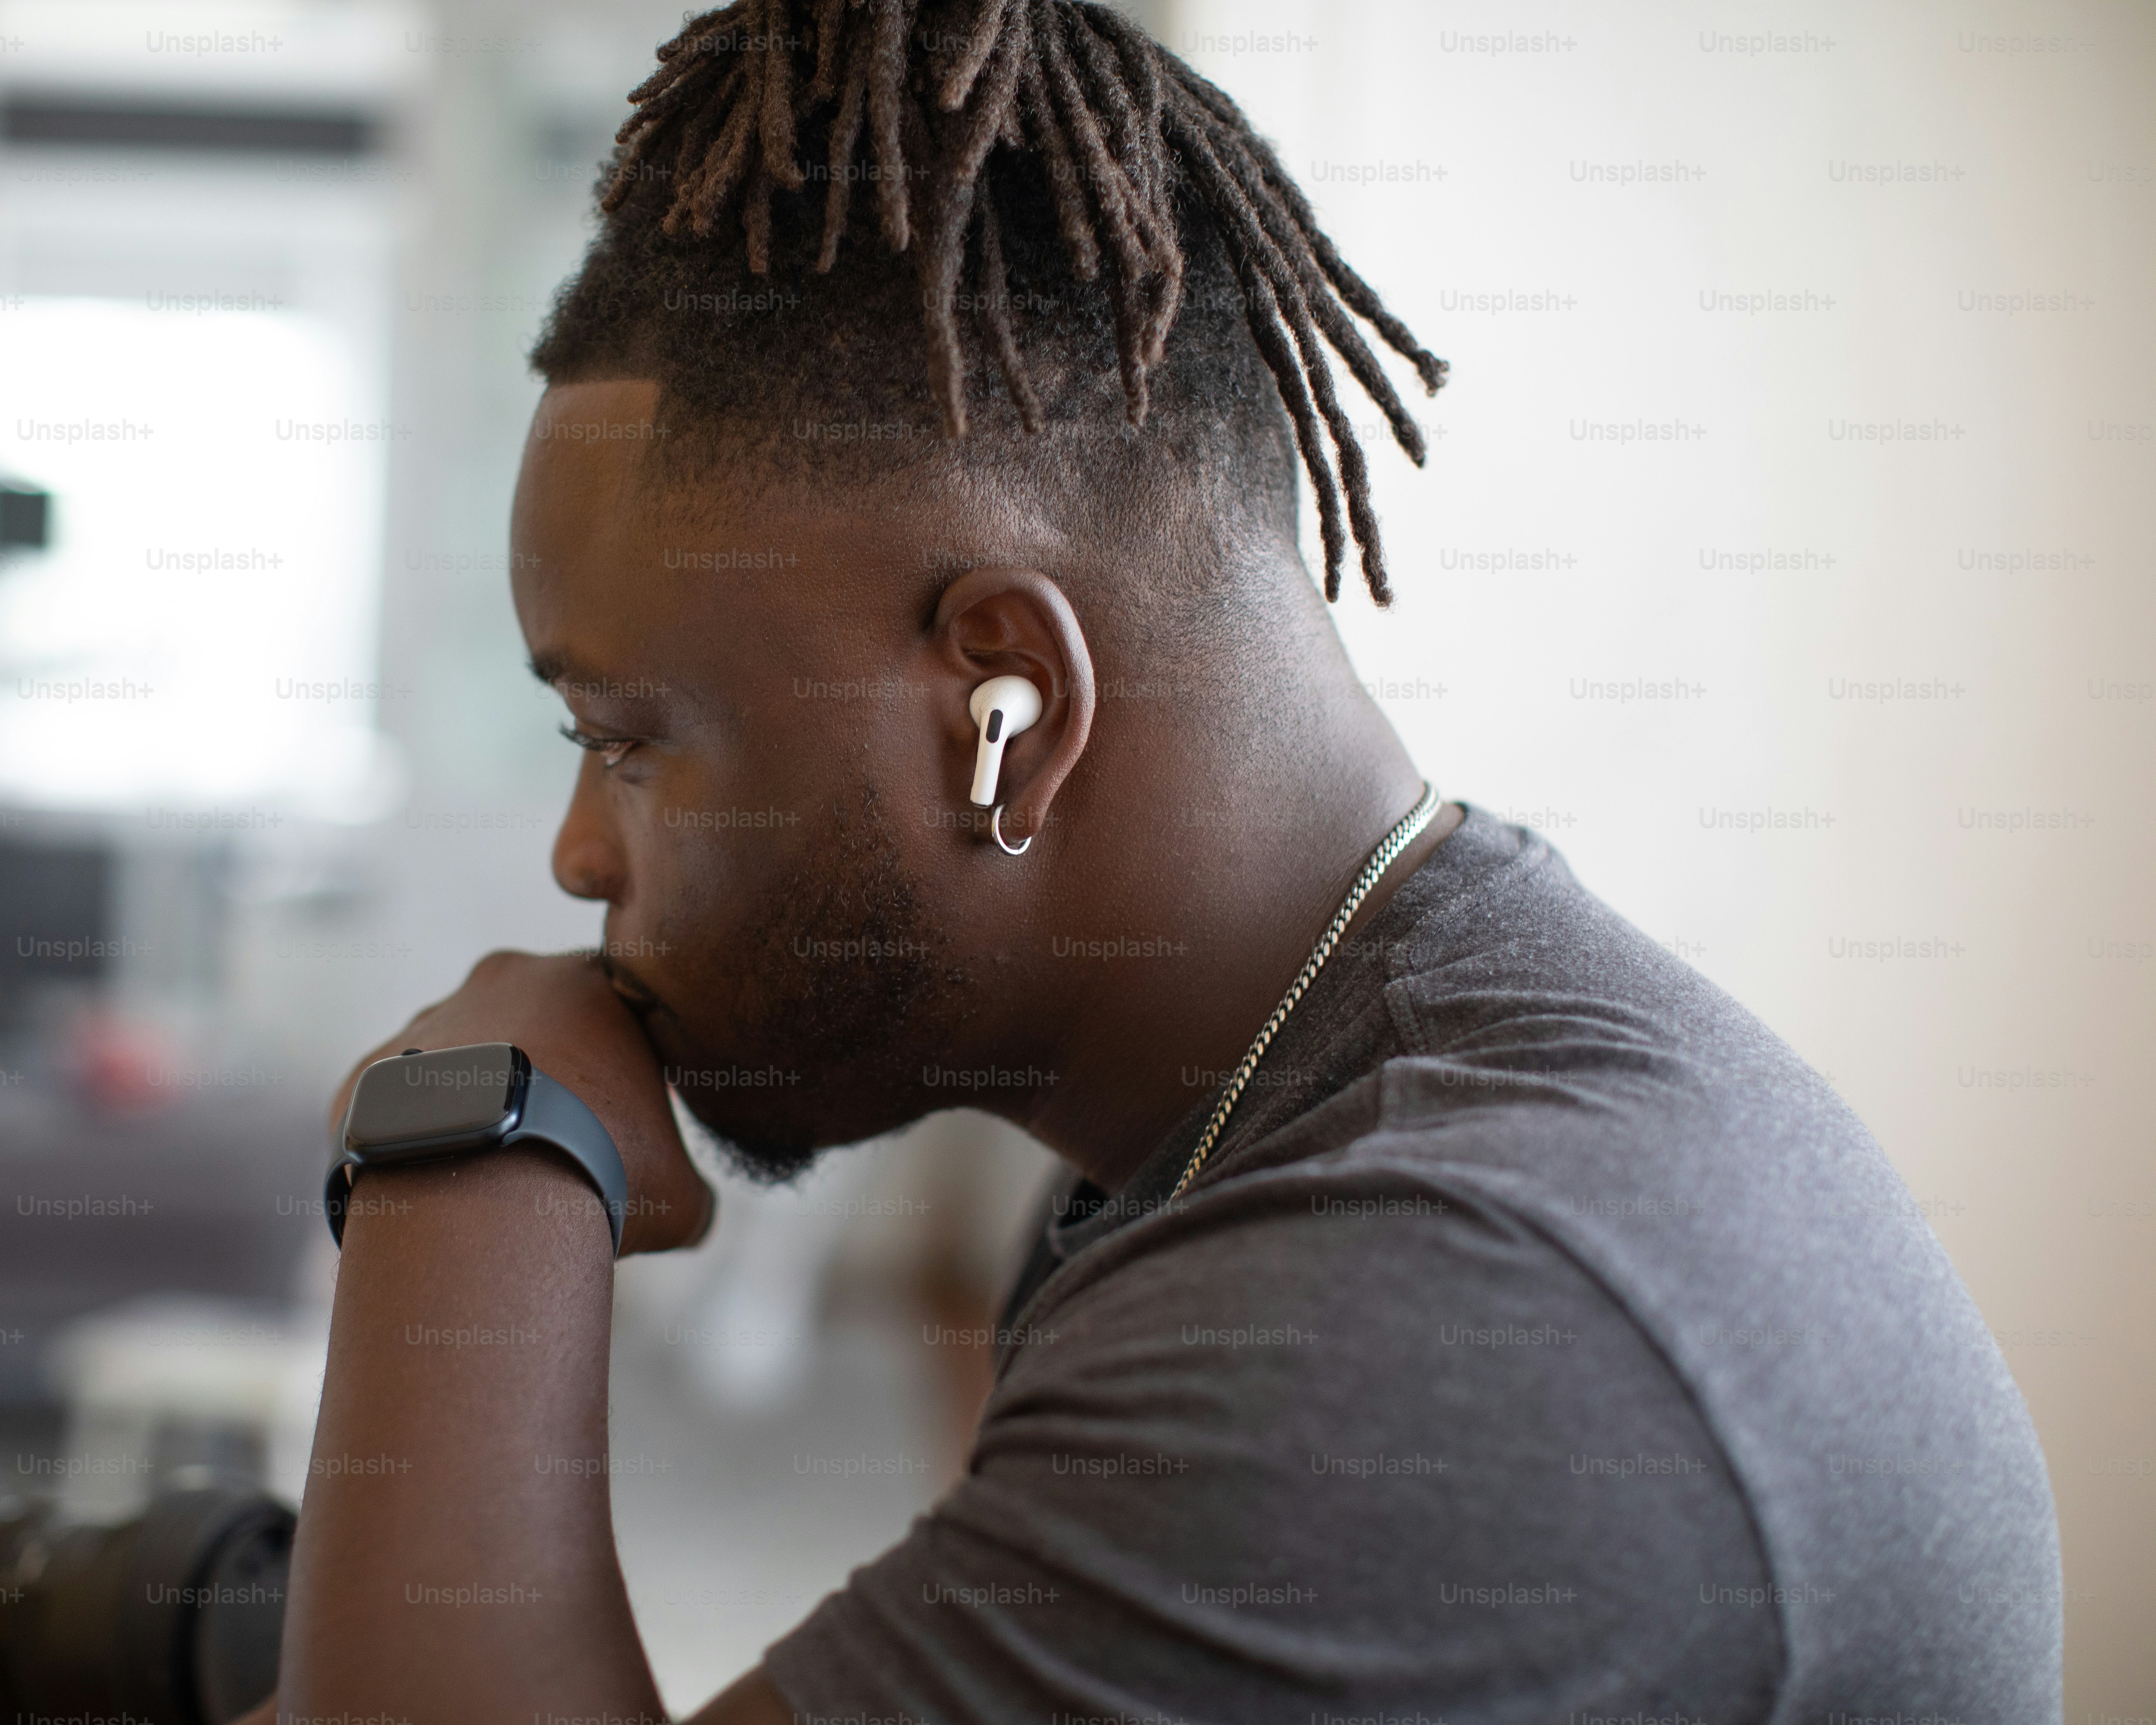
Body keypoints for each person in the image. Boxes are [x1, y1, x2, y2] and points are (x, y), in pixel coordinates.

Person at [273, 2, 2062, 1718]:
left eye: (628, 739)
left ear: (1008, 705)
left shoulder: (1452, 1319)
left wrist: (478, 1151)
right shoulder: (1243, 1137)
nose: (583, 853)